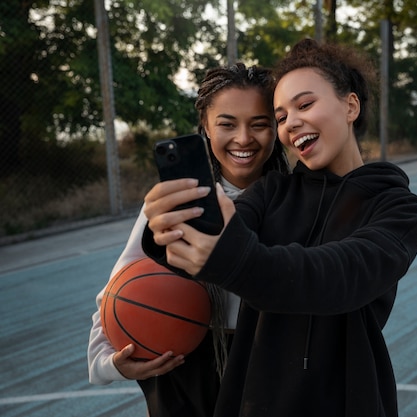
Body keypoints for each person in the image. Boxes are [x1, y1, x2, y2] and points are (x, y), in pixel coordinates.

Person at [142, 38, 417, 417]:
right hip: (253, 401)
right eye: (280, 117)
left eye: (305, 104)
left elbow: (338, 277)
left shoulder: (398, 208)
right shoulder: (271, 191)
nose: (291, 122)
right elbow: (217, 237)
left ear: (351, 105)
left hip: (346, 401)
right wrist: (171, 229)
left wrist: (236, 258)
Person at [87, 63, 290, 417]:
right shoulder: (177, 200)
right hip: (186, 366)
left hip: (268, 364)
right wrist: (110, 364)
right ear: (205, 129)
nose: (243, 138)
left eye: (259, 124)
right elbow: (119, 290)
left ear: (277, 128)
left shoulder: (295, 198)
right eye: (227, 124)